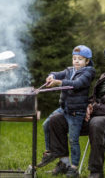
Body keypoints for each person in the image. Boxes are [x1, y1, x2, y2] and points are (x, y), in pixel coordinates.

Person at [41, 46, 105, 178]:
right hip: (95, 118)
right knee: (57, 120)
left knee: (96, 123)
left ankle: (95, 172)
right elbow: (93, 98)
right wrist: (88, 106)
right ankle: (64, 163)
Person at [37, 45, 96, 177]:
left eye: (80, 59)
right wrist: (51, 76)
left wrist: (58, 83)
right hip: (64, 109)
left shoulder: (88, 72)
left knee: (73, 140)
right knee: (46, 124)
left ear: (87, 61)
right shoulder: (70, 70)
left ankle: (74, 168)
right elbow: (57, 74)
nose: (76, 61)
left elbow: (77, 84)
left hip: (76, 112)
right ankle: (50, 152)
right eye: (74, 58)